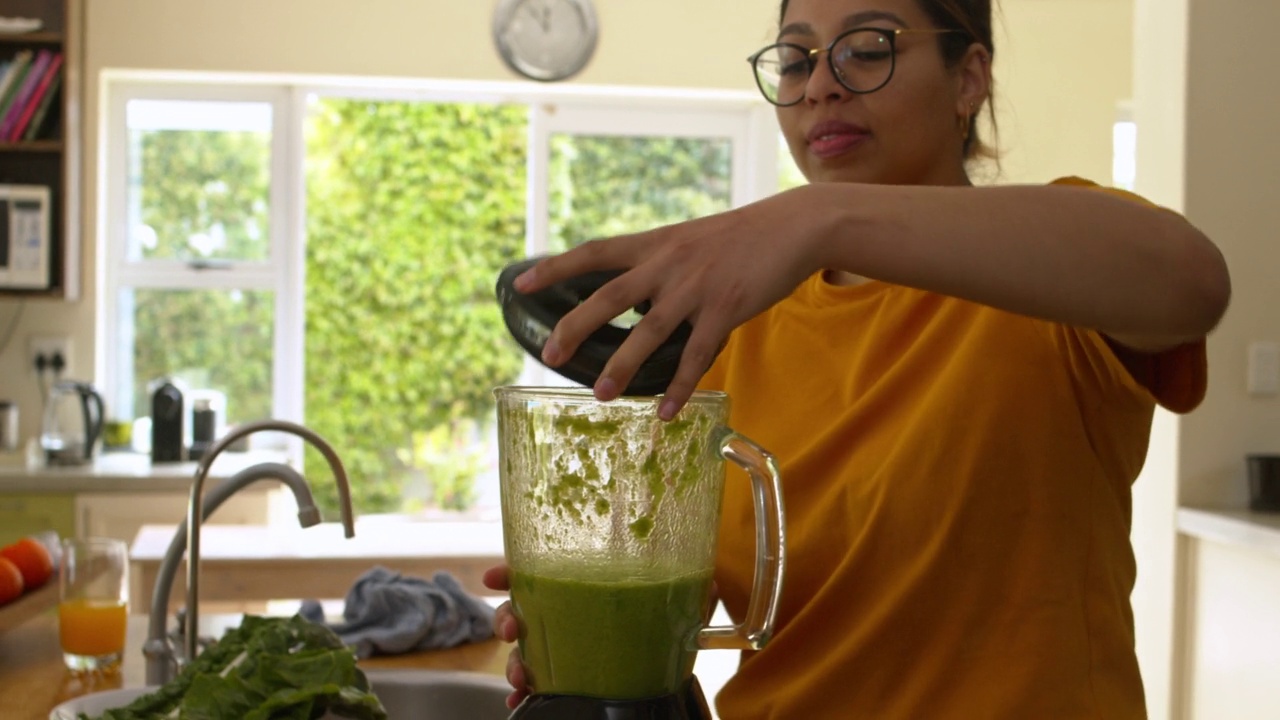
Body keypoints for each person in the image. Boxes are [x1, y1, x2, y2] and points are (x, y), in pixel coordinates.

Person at [483, 0, 1232, 717]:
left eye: (868, 50)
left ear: (968, 79)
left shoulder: (1049, 288)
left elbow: (1192, 283)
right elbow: (688, 605)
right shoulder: (739, 330)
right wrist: (589, 635)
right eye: (794, 60)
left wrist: (818, 215)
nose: (821, 85)